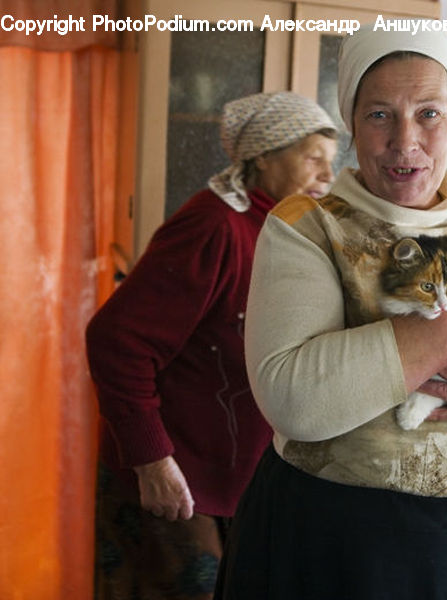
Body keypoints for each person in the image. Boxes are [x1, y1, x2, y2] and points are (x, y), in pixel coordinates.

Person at [214, 25, 447, 600]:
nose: (404, 141)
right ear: (352, 121)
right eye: (379, 115)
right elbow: (294, 400)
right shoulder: (310, 228)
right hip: (324, 542)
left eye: (428, 114)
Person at [85, 92, 337, 599]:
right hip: (173, 480)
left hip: (234, 483)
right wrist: (151, 460)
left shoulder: (281, 230)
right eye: (312, 157)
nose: (328, 175)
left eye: (332, 161)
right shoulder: (213, 227)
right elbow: (116, 342)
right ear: (264, 156)